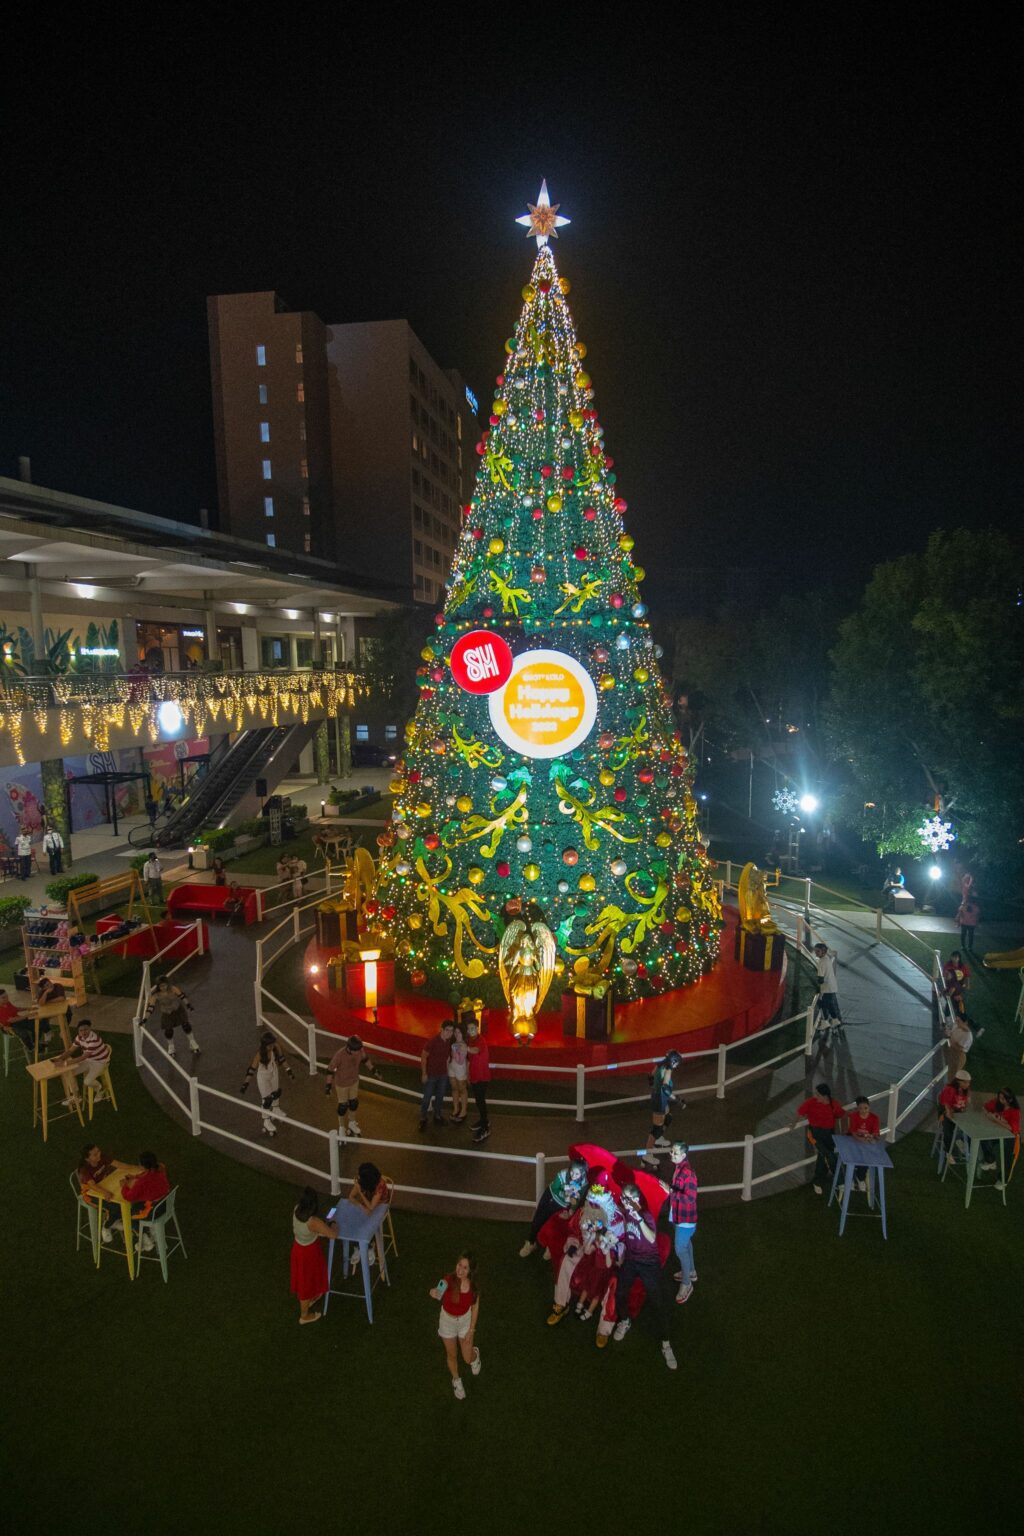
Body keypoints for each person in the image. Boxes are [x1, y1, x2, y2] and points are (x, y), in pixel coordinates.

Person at [611, 1184, 676, 1370]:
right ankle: (625, 1320)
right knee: (620, 1292)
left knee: (658, 1302)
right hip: (632, 1260)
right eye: (623, 1198)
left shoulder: (645, 1216)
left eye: (628, 1198)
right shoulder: (626, 1213)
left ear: (636, 1200)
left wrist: (638, 1217)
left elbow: (651, 1237)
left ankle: (666, 1343)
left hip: (648, 1263)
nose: (624, 1201)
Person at [429, 1251, 481, 1400]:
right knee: (452, 1354)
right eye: (459, 1265)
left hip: (465, 1321)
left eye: (465, 1268)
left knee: (467, 1358)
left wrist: (472, 1329)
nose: (460, 1270)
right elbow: (437, 1291)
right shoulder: (447, 1280)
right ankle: (456, 1380)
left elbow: (475, 1308)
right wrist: (434, 1292)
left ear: (470, 1271)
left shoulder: (474, 1288)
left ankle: (475, 1355)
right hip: (447, 1322)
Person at [519, 1159, 589, 1258]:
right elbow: (555, 1189)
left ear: (582, 1173)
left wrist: (572, 1208)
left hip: (564, 1205)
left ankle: (550, 1246)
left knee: (555, 1225)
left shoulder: (584, 1183)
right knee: (539, 1219)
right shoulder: (563, 1174)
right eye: (572, 1171)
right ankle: (531, 1242)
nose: (573, 1175)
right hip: (551, 1197)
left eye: (577, 1174)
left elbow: (577, 1198)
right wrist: (566, 1195)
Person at [290, 1186, 337, 1324]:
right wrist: (333, 1224)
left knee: (305, 1279)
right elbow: (333, 1235)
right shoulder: (314, 1222)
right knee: (306, 1284)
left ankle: (310, 1300)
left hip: (299, 1248)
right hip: (308, 1253)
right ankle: (304, 1315)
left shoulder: (296, 1209)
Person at [76, 1144, 136, 1245]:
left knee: (125, 1200)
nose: (99, 1154)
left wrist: (136, 1167)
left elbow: (119, 1165)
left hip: (105, 1185)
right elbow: (92, 1186)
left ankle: (117, 1223)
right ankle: (107, 1226)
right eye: (95, 1154)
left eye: (98, 1151)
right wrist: (105, 1192)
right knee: (117, 1206)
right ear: (87, 1159)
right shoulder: (84, 1170)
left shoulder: (102, 1157)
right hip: (91, 1194)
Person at [793, 1081, 846, 1195]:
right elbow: (800, 1112)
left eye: (817, 1094)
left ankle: (817, 1181)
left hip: (829, 1134)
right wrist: (793, 1124)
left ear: (824, 1096)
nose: (815, 1096)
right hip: (815, 1134)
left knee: (823, 1157)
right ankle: (840, 1181)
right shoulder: (811, 1102)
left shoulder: (834, 1104)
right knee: (829, 1155)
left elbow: (841, 1114)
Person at [324, 1034, 378, 1139]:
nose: (358, 1053)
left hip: (354, 1081)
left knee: (354, 1103)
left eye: (359, 1050)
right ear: (349, 1048)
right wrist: (328, 1086)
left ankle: (352, 1123)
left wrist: (374, 1070)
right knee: (342, 1107)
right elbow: (330, 1070)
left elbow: (365, 1059)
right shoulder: (340, 1055)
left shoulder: (359, 1050)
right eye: (356, 1051)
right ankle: (342, 1128)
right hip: (342, 1084)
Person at [241, 1031, 296, 1135]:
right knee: (267, 1100)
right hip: (263, 1077)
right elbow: (252, 1069)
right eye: (269, 1045)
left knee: (276, 1093)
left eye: (272, 1044)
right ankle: (266, 1120)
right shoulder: (260, 1054)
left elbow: (282, 1059)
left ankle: (276, 1109)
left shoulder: (275, 1047)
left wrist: (289, 1071)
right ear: (264, 1044)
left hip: (273, 1072)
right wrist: (245, 1084)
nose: (271, 1046)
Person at [116, 1151, 171, 1252]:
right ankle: (155, 1236)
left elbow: (128, 1197)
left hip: (154, 1211)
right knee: (137, 1206)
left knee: (129, 1216)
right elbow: (147, 1174)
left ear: (142, 1165)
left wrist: (124, 1186)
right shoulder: (160, 1168)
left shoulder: (143, 1182)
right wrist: (135, 1177)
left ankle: (147, 1241)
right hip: (165, 1205)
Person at [667, 1141, 698, 1304]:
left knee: (680, 1250)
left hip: (685, 1219)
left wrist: (672, 1193)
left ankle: (687, 1284)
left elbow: (691, 1197)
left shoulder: (687, 1173)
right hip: (680, 1217)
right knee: (686, 1245)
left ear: (684, 1155)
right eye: (672, 1152)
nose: (672, 1155)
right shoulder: (680, 1169)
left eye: (676, 1153)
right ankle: (690, 1271)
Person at [642, 1049, 684, 1168]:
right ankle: (647, 1154)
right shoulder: (668, 1069)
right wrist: (677, 1099)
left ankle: (659, 1138)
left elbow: (651, 1076)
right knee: (656, 1129)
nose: (677, 1066)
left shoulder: (660, 1064)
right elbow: (665, 1087)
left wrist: (655, 1085)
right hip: (659, 1100)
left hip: (659, 1098)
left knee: (668, 1117)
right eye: (677, 1063)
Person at [144, 976, 200, 1059]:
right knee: (168, 1031)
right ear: (158, 986)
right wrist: (145, 1018)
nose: (163, 987)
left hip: (178, 1010)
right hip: (167, 1013)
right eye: (161, 986)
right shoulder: (155, 995)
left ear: (167, 984)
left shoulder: (173, 989)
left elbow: (182, 996)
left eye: (165, 985)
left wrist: (188, 1005)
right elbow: (150, 1008)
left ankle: (192, 1042)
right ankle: (171, 1047)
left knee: (186, 1026)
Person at [58, 1019, 112, 1100]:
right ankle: (76, 1096)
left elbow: (83, 1057)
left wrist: (65, 1063)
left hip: (100, 1062)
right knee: (68, 1074)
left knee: (87, 1082)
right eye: (81, 1030)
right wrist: (59, 1059)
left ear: (90, 1028)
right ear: (78, 1031)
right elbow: (70, 1050)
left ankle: (100, 1089)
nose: (84, 1032)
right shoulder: (79, 1037)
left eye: (86, 1029)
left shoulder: (94, 1040)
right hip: (89, 1060)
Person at [419, 1021, 454, 1131]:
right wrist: (424, 1073)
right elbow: (424, 1056)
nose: (449, 1033)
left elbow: (447, 1057)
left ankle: (437, 1116)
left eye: (451, 1031)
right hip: (431, 1075)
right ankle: (423, 1118)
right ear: (442, 1029)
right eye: (447, 1030)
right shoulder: (433, 1041)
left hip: (443, 1074)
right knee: (426, 1098)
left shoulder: (448, 1041)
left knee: (440, 1097)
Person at [979, 1089, 1020, 1181]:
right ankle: (990, 1160)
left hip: (1011, 1136)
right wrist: (987, 1113)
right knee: (984, 1138)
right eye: (999, 1097)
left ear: (1009, 1100)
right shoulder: (996, 1103)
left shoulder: (1014, 1111)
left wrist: (995, 1119)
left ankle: (1003, 1180)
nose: (999, 1100)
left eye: (1002, 1098)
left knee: (1007, 1158)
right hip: (997, 1132)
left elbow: (1012, 1128)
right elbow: (984, 1107)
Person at [0, 987, 52, 1056]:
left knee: (36, 1022)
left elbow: (15, 1009)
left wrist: (28, 1008)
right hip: (9, 1026)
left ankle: (36, 1042)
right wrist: (27, 1015)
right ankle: (31, 1048)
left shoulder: (7, 1003)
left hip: (18, 1021)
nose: (7, 998)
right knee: (24, 1033)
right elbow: (12, 1020)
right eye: (3, 997)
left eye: (7, 996)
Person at [846, 1095, 881, 1192]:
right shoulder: (854, 1116)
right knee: (851, 1155)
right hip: (853, 1139)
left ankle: (860, 1178)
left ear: (869, 1107)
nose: (863, 1110)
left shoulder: (874, 1118)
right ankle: (850, 1178)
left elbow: (875, 1133)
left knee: (866, 1156)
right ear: (857, 1108)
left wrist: (871, 1138)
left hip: (866, 1140)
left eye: (866, 1108)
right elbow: (853, 1132)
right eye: (860, 1108)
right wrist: (861, 1139)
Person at [811, 942, 844, 1042]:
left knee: (823, 1004)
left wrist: (816, 985)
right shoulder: (827, 958)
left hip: (826, 988)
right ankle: (835, 1020)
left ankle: (825, 1021)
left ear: (823, 951)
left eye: (818, 951)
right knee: (829, 1004)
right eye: (815, 950)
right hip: (831, 986)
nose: (816, 953)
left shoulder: (821, 962)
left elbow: (820, 979)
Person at [938, 1070, 972, 1159]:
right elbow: (946, 1104)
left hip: (959, 1113)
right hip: (946, 1112)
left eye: (968, 1082)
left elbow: (965, 1104)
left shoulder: (965, 1090)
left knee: (968, 1128)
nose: (967, 1084)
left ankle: (961, 1142)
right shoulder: (950, 1089)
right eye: (965, 1082)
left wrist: (966, 1106)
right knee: (948, 1128)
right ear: (958, 1081)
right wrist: (949, 1112)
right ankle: (948, 1151)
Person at [467, 1019, 491, 1143]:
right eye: (469, 1029)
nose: (470, 1031)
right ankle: (483, 1121)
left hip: (482, 1077)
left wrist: (464, 1047)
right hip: (475, 1076)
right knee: (478, 1100)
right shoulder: (471, 1040)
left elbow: (475, 1050)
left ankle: (485, 1128)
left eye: (472, 1028)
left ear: (477, 1028)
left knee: (480, 1101)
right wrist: (468, 1075)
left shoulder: (481, 1040)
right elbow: (470, 1060)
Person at [448, 1023, 470, 1124]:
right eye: (455, 1032)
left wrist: (456, 1052)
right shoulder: (453, 1043)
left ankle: (463, 1110)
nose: (457, 1034)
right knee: (454, 1088)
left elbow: (461, 1061)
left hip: (460, 1069)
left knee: (462, 1089)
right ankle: (456, 1108)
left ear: (463, 1034)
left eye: (459, 1032)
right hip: (452, 1067)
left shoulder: (464, 1045)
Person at [945, 1012, 974, 1084]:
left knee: (952, 1076)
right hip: (952, 1051)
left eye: (958, 1021)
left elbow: (960, 1048)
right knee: (949, 1072)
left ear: (965, 1023)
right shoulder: (957, 1026)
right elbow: (951, 1033)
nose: (956, 1022)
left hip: (959, 1056)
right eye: (956, 1020)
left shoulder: (967, 1035)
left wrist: (951, 1041)